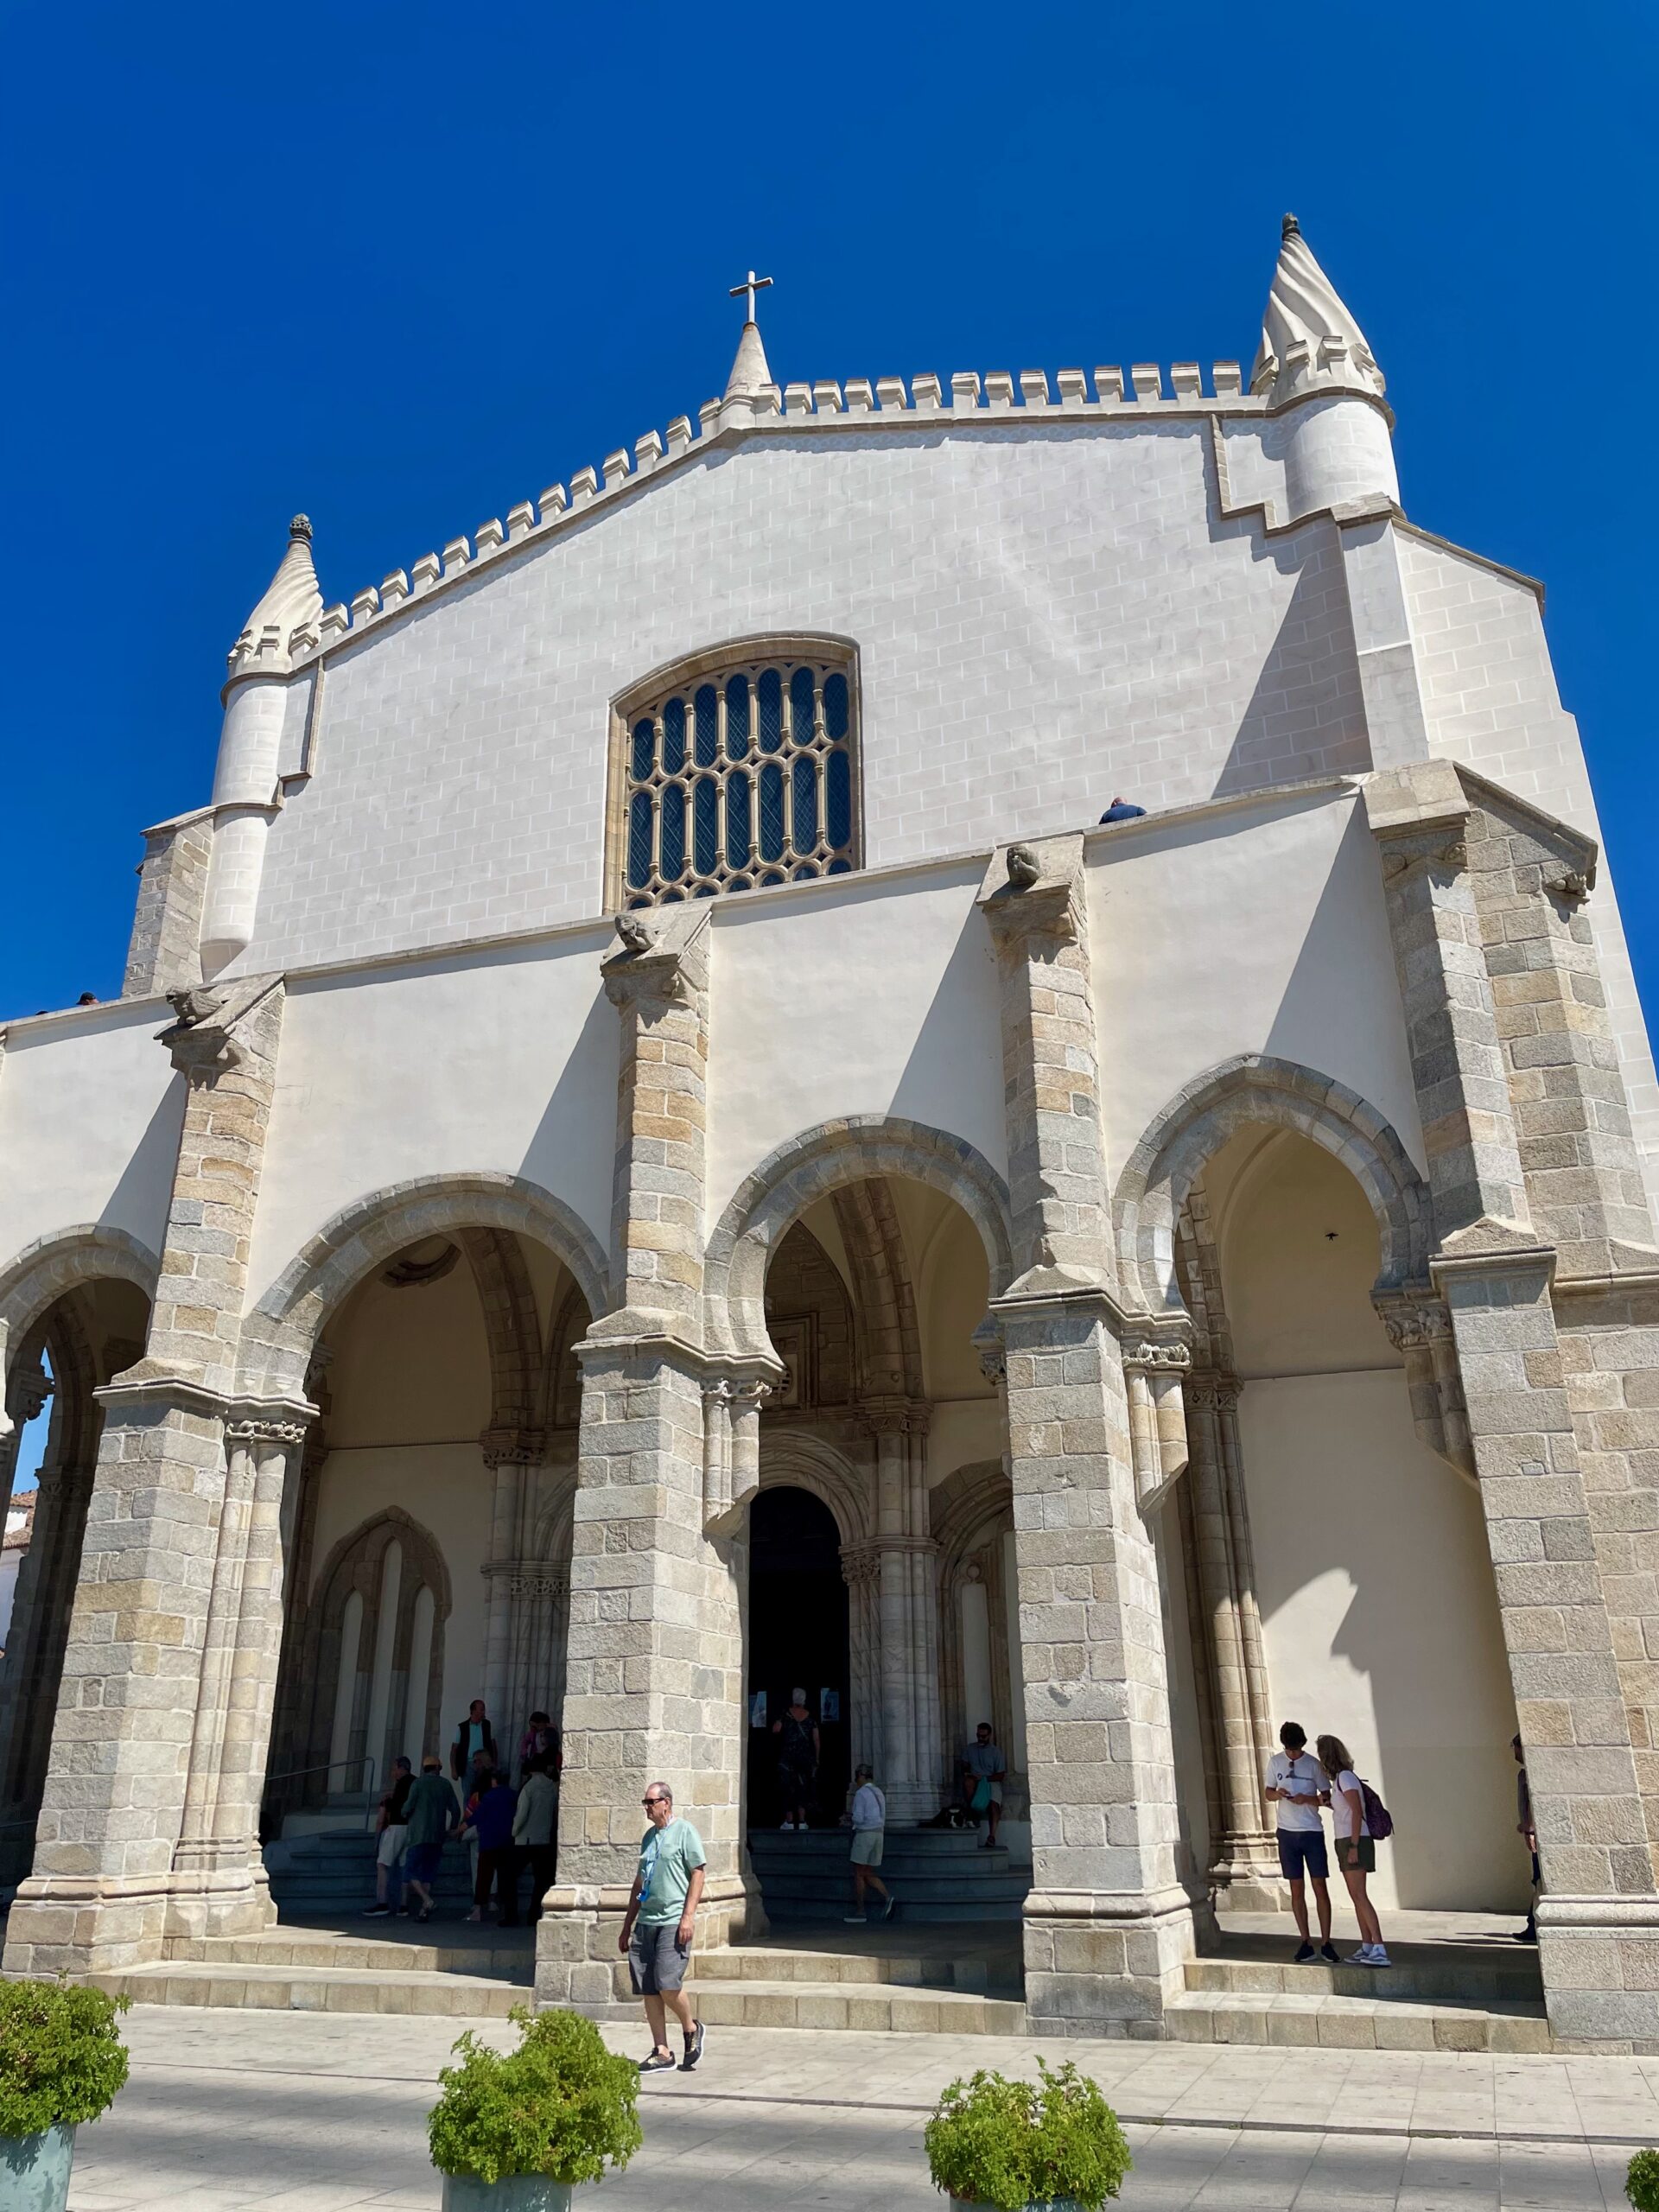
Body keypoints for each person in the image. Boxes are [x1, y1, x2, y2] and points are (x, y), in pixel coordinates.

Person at [619, 1781, 706, 2075]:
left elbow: (698, 1872)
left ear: (666, 1803)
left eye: (650, 1802)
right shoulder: (649, 1837)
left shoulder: (685, 1831)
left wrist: (688, 1916)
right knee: (649, 1988)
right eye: (645, 1802)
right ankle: (662, 2051)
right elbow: (639, 1883)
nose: (646, 1807)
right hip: (646, 1921)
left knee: (667, 1984)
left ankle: (691, 2028)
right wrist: (627, 1925)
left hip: (673, 1920)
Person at [1263, 1722, 1337, 1964]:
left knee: (1319, 1886)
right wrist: (1278, 1794)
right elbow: (1268, 1792)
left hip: (1312, 1831)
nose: (1293, 1754)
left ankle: (1326, 1941)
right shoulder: (1275, 1762)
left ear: (1302, 1745)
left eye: (1296, 1749)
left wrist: (1308, 1799)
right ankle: (1305, 1940)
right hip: (1287, 1832)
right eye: (1290, 1749)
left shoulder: (1313, 1765)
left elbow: (1326, 1798)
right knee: (1296, 1888)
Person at [1317, 1733, 1389, 1967]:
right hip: (1346, 1839)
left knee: (1360, 1895)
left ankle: (1379, 1947)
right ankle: (1367, 1945)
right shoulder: (1341, 1779)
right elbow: (1346, 1810)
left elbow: (1357, 1811)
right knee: (1356, 1895)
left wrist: (1354, 1846)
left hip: (1354, 1840)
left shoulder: (1345, 1778)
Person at [402, 1753, 459, 1923]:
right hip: (437, 1836)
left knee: (410, 1871)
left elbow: (407, 1807)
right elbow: (455, 1810)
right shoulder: (445, 1784)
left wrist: (404, 1812)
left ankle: (427, 1900)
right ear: (438, 1768)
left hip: (418, 1835)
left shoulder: (418, 1783)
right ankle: (424, 1911)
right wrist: (452, 1829)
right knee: (428, 1874)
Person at [461, 1766, 520, 1925]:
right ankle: (507, 1911)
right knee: (506, 1878)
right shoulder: (513, 1795)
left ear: (494, 1781)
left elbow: (477, 1816)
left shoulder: (488, 1797)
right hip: (508, 1841)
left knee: (483, 1877)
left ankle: (478, 1910)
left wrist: (461, 1828)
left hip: (489, 1841)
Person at [842, 1764, 895, 1924]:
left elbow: (859, 1818)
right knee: (868, 1871)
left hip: (865, 1834)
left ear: (861, 1776)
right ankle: (887, 1897)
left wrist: (849, 1817)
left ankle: (860, 1911)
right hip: (878, 1834)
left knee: (859, 1873)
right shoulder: (879, 1792)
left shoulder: (861, 1793)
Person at [365, 1754, 414, 1917]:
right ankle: (404, 1905)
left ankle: (382, 1903)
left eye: (394, 1769)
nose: (393, 1773)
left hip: (397, 1825)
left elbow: (394, 1808)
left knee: (382, 1863)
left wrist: (377, 1839)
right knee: (404, 1866)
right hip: (411, 1827)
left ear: (402, 1768)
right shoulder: (414, 1782)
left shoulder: (402, 1784)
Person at [513, 1754, 560, 1923]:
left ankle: (511, 1915)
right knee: (541, 1880)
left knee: (509, 1876)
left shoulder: (529, 1788)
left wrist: (514, 1831)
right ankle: (533, 1914)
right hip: (544, 1838)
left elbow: (522, 1814)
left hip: (526, 1839)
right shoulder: (551, 1787)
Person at [771, 1689, 819, 1831]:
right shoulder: (811, 1717)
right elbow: (816, 1739)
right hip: (804, 1757)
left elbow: (776, 1730)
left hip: (788, 1757)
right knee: (803, 1787)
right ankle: (802, 1821)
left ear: (792, 1699)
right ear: (804, 1700)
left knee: (788, 1788)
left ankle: (789, 1821)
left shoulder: (785, 1714)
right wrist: (817, 1758)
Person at [961, 1722, 1006, 1848]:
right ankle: (973, 1812)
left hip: (991, 1781)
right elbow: (964, 1765)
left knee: (994, 1805)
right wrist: (967, 1771)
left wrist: (985, 1778)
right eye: (978, 1736)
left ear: (989, 1735)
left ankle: (992, 1836)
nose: (980, 1738)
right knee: (968, 1782)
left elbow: (1001, 1775)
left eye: (983, 1736)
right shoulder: (970, 1749)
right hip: (975, 1780)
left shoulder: (995, 1752)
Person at [1513, 1733, 1538, 1943]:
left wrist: (1530, 1830)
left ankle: (1533, 1926)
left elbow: (1531, 1803)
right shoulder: (1525, 1773)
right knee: (1537, 1880)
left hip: (1536, 1835)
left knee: (1538, 1879)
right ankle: (1532, 1925)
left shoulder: (1531, 1774)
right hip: (1533, 1832)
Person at [451, 1699, 499, 1783]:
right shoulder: (462, 1727)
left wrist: (494, 1763)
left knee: (483, 1788)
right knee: (468, 1789)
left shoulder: (487, 1725)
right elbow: (454, 1750)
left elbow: (493, 1745)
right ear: (473, 1711)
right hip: (468, 1764)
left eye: (484, 1709)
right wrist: (454, 1769)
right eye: (481, 1709)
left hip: (484, 1764)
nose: (484, 1712)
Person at [518, 1709, 555, 1782]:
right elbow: (524, 1742)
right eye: (531, 1726)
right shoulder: (532, 1734)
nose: (533, 1728)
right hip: (536, 1757)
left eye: (536, 1726)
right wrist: (524, 1752)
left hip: (547, 1758)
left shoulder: (549, 1732)